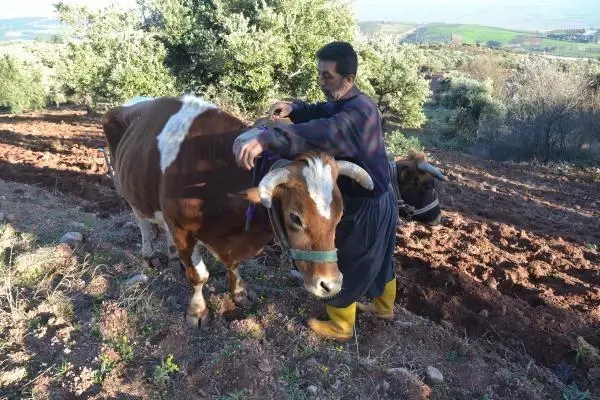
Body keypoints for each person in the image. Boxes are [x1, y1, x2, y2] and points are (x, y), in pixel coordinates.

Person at [233, 41, 398, 341]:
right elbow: (324, 113)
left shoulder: (358, 113)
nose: (322, 82)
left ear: (348, 79)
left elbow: (326, 131)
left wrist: (270, 138)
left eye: (328, 77)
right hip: (380, 196)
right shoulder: (352, 101)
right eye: (320, 74)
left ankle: (341, 325)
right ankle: (384, 307)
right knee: (382, 255)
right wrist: (296, 109)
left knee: (345, 255)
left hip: (364, 203)